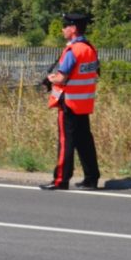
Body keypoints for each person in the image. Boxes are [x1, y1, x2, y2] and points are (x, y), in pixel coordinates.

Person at [40, 13, 101, 191]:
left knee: (66, 141)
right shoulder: (90, 48)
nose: (62, 29)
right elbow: (93, 72)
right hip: (84, 103)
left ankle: (61, 180)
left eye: (65, 26)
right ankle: (91, 178)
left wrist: (50, 78)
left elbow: (62, 77)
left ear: (73, 29)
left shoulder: (72, 51)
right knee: (84, 142)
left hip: (69, 103)